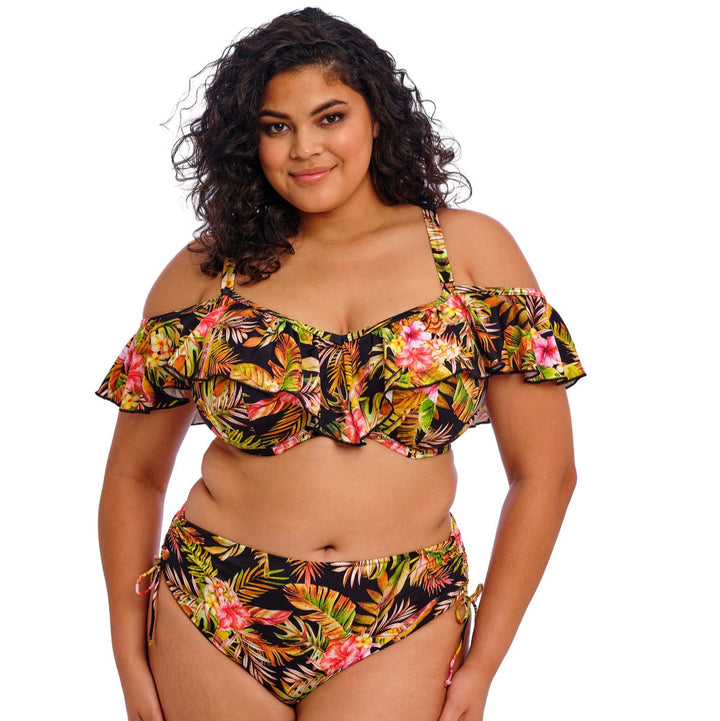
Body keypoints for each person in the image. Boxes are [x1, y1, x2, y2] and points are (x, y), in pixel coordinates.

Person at [97, 7, 585, 721]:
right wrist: (126, 648)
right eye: (276, 126)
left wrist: (483, 664)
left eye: (330, 117)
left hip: (403, 613)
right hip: (213, 601)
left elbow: (546, 474)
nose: (305, 149)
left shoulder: (471, 254)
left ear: (377, 117)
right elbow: (134, 475)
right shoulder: (206, 272)